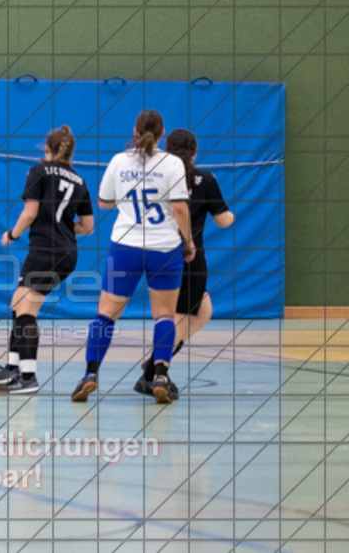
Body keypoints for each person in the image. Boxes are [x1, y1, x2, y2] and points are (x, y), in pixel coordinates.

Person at [71, 109, 195, 405]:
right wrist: (188, 242)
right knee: (164, 315)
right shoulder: (173, 163)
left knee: (106, 313)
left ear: (135, 130)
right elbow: (179, 208)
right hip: (164, 247)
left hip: (125, 246)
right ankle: (161, 376)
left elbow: (102, 203)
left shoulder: (118, 161)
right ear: (162, 134)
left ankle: (90, 374)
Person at [0, 125, 94, 394]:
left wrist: (12, 234)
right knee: (18, 305)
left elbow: (30, 212)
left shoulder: (39, 170)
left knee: (26, 310)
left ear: (47, 148)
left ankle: (28, 376)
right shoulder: (80, 181)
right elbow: (88, 226)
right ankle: (11, 369)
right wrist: (67, 230)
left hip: (45, 250)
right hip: (67, 252)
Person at [134, 128, 234, 399]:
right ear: (195, 152)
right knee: (179, 317)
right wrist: (229, 214)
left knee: (202, 310)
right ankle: (155, 372)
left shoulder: (156, 177)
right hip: (188, 256)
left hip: (157, 252)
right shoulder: (205, 179)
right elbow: (223, 220)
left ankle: (153, 366)